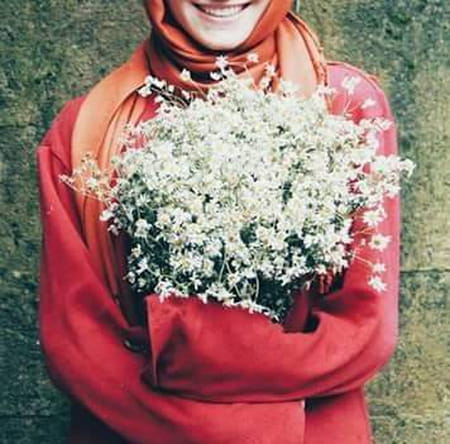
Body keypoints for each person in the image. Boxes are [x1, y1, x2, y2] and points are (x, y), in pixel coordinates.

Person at [35, 1, 400, 443]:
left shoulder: (346, 107)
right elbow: (78, 348)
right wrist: (252, 430)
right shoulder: (86, 132)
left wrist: (183, 355)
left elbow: (364, 332)